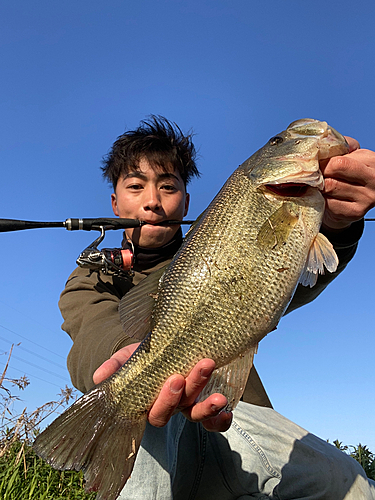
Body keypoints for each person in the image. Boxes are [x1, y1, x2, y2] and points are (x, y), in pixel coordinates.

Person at [59, 116, 375, 499]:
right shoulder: (90, 277)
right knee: (148, 417)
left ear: (187, 201)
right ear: (115, 201)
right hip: (158, 426)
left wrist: (338, 229)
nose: (153, 201)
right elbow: (90, 334)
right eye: (136, 185)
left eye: (168, 186)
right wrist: (126, 362)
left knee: (353, 486)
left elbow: (296, 282)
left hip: (233, 414)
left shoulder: (219, 241)